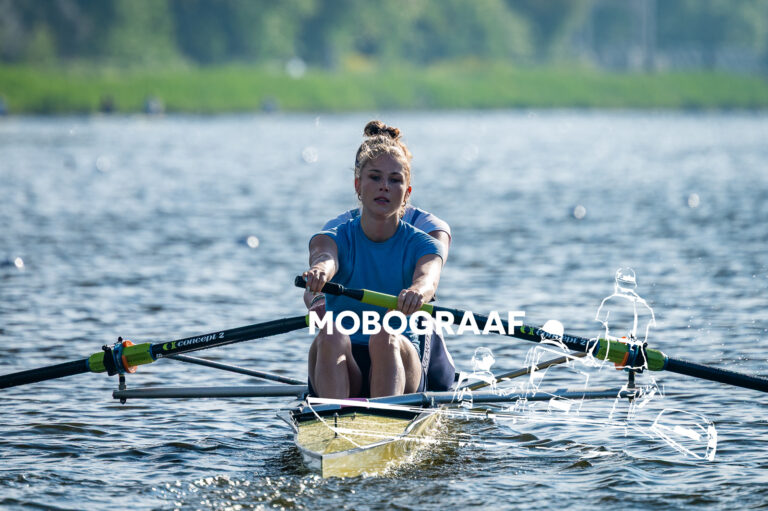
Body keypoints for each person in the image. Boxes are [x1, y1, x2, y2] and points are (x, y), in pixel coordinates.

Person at [303, 120, 448, 399]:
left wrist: (417, 292)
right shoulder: (333, 237)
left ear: (406, 193)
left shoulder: (424, 244)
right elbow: (325, 258)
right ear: (358, 185)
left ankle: (385, 415)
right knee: (330, 333)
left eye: (394, 180)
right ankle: (331, 416)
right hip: (344, 359)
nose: (384, 186)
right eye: (375, 177)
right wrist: (320, 271)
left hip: (400, 357)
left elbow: (428, 279)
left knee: (385, 334)